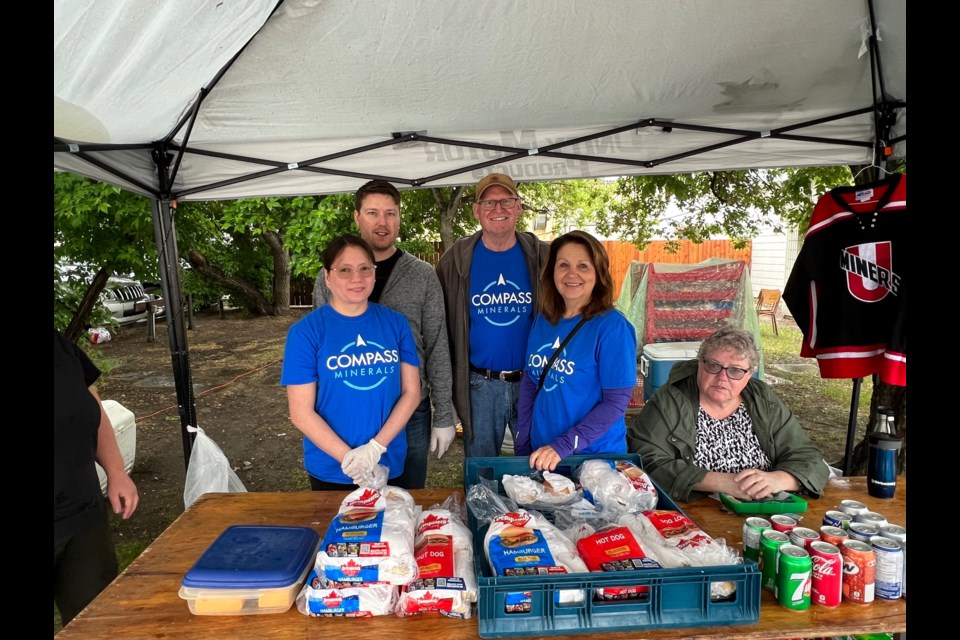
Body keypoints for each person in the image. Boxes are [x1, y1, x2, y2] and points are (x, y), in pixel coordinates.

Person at [312, 180, 455, 489]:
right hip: (347, 411)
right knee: (347, 509)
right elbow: (320, 350)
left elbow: (437, 344)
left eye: (391, 213)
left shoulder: (422, 275)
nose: (382, 222)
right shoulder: (330, 278)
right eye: (373, 212)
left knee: (406, 500)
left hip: (410, 409)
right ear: (356, 217)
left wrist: (444, 413)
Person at [627, 324, 829, 502]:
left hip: (769, 508)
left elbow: (808, 456)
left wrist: (779, 479)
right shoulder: (669, 401)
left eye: (735, 371)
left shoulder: (762, 399)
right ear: (700, 364)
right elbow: (646, 461)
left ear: (749, 374)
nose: (722, 378)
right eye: (714, 366)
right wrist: (721, 482)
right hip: (697, 510)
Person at [282, 234, 421, 490]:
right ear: (327, 276)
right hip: (332, 468)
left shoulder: (396, 324)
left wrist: (375, 448)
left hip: (387, 460)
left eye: (364, 268)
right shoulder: (305, 332)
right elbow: (300, 413)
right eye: (344, 270)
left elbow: (411, 393)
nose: (356, 278)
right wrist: (349, 458)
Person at [436, 173, 550, 458]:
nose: (498, 209)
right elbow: (437, 325)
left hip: (533, 382)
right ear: (476, 210)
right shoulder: (456, 259)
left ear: (519, 207)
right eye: (489, 202)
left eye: (506, 201)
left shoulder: (543, 257)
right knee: (481, 470)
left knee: (538, 464)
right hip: (480, 385)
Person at [515, 231, 637, 471]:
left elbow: (616, 403)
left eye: (583, 266)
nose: (572, 274)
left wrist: (564, 444)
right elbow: (531, 380)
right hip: (544, 454)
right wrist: (523, 440)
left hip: (593, 460)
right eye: (563, 265)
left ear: (598, 273)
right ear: (552, 271)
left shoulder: (612, 328)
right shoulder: (544, 320)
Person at [54, 329, 139, 629]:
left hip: (83, 513)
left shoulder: (58, 344)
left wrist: (116, 471)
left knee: (97, 620)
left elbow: (89, 399)